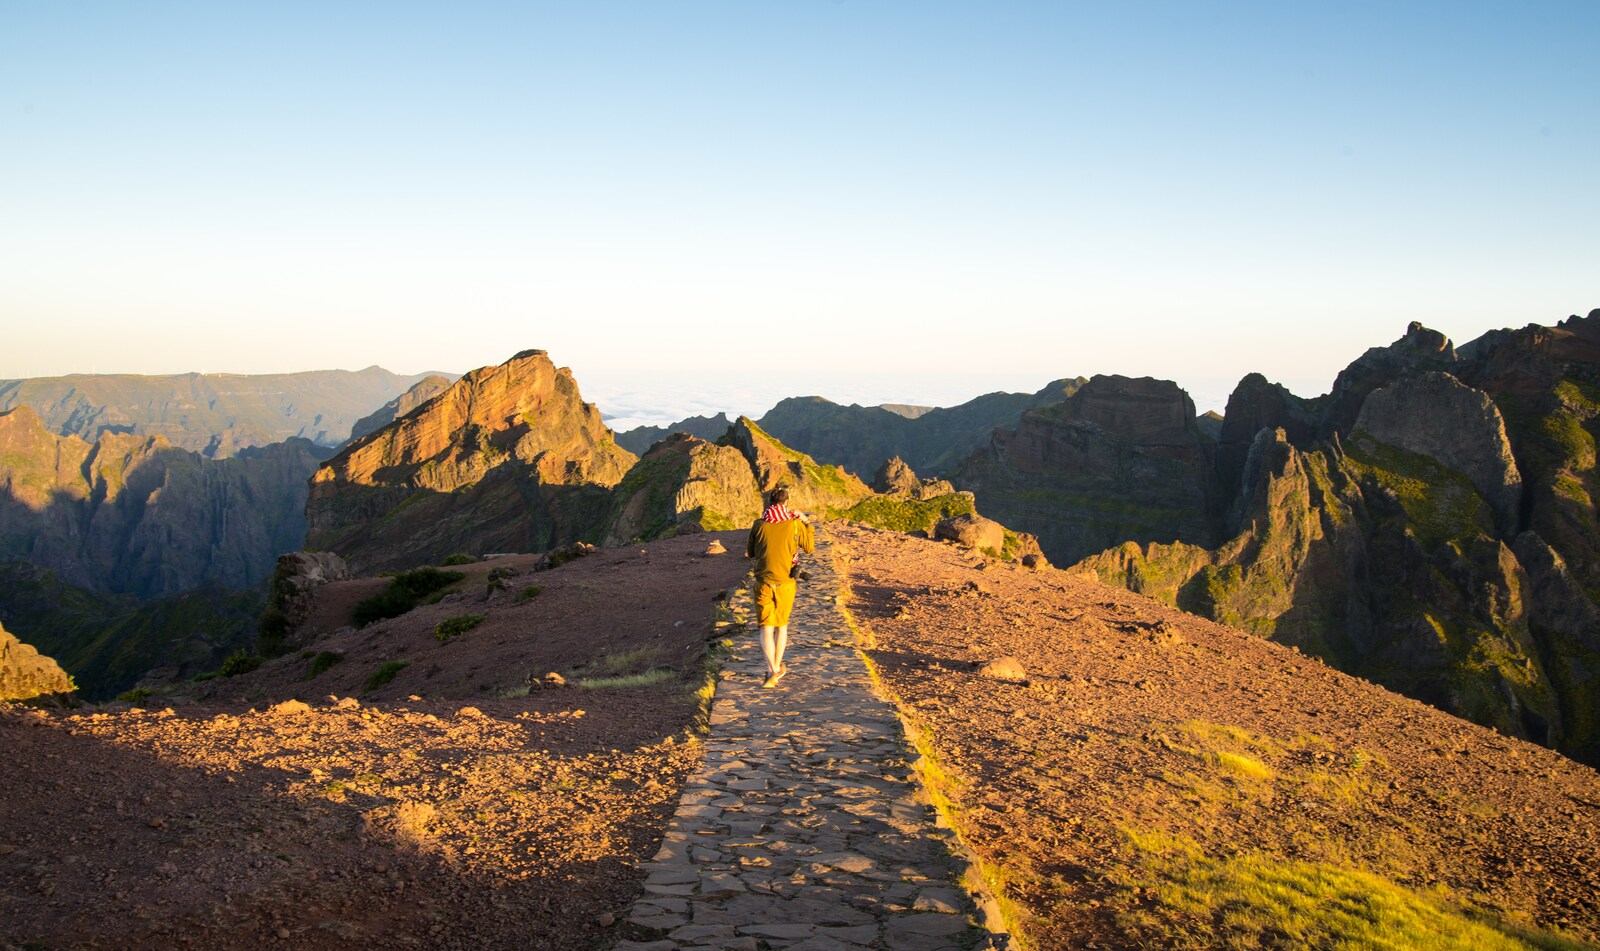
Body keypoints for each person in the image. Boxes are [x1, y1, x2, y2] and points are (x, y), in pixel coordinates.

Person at [745, 486, 815, 688]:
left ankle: (772, 670)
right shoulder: (794, 525)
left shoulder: (759, 525)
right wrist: (806, 522)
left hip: (763, 582)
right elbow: (809, 548)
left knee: (766, 627)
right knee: (781, 626)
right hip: (785, 583)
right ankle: (775, 669)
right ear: (786, 502)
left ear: (769, 503)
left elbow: (751, 553)